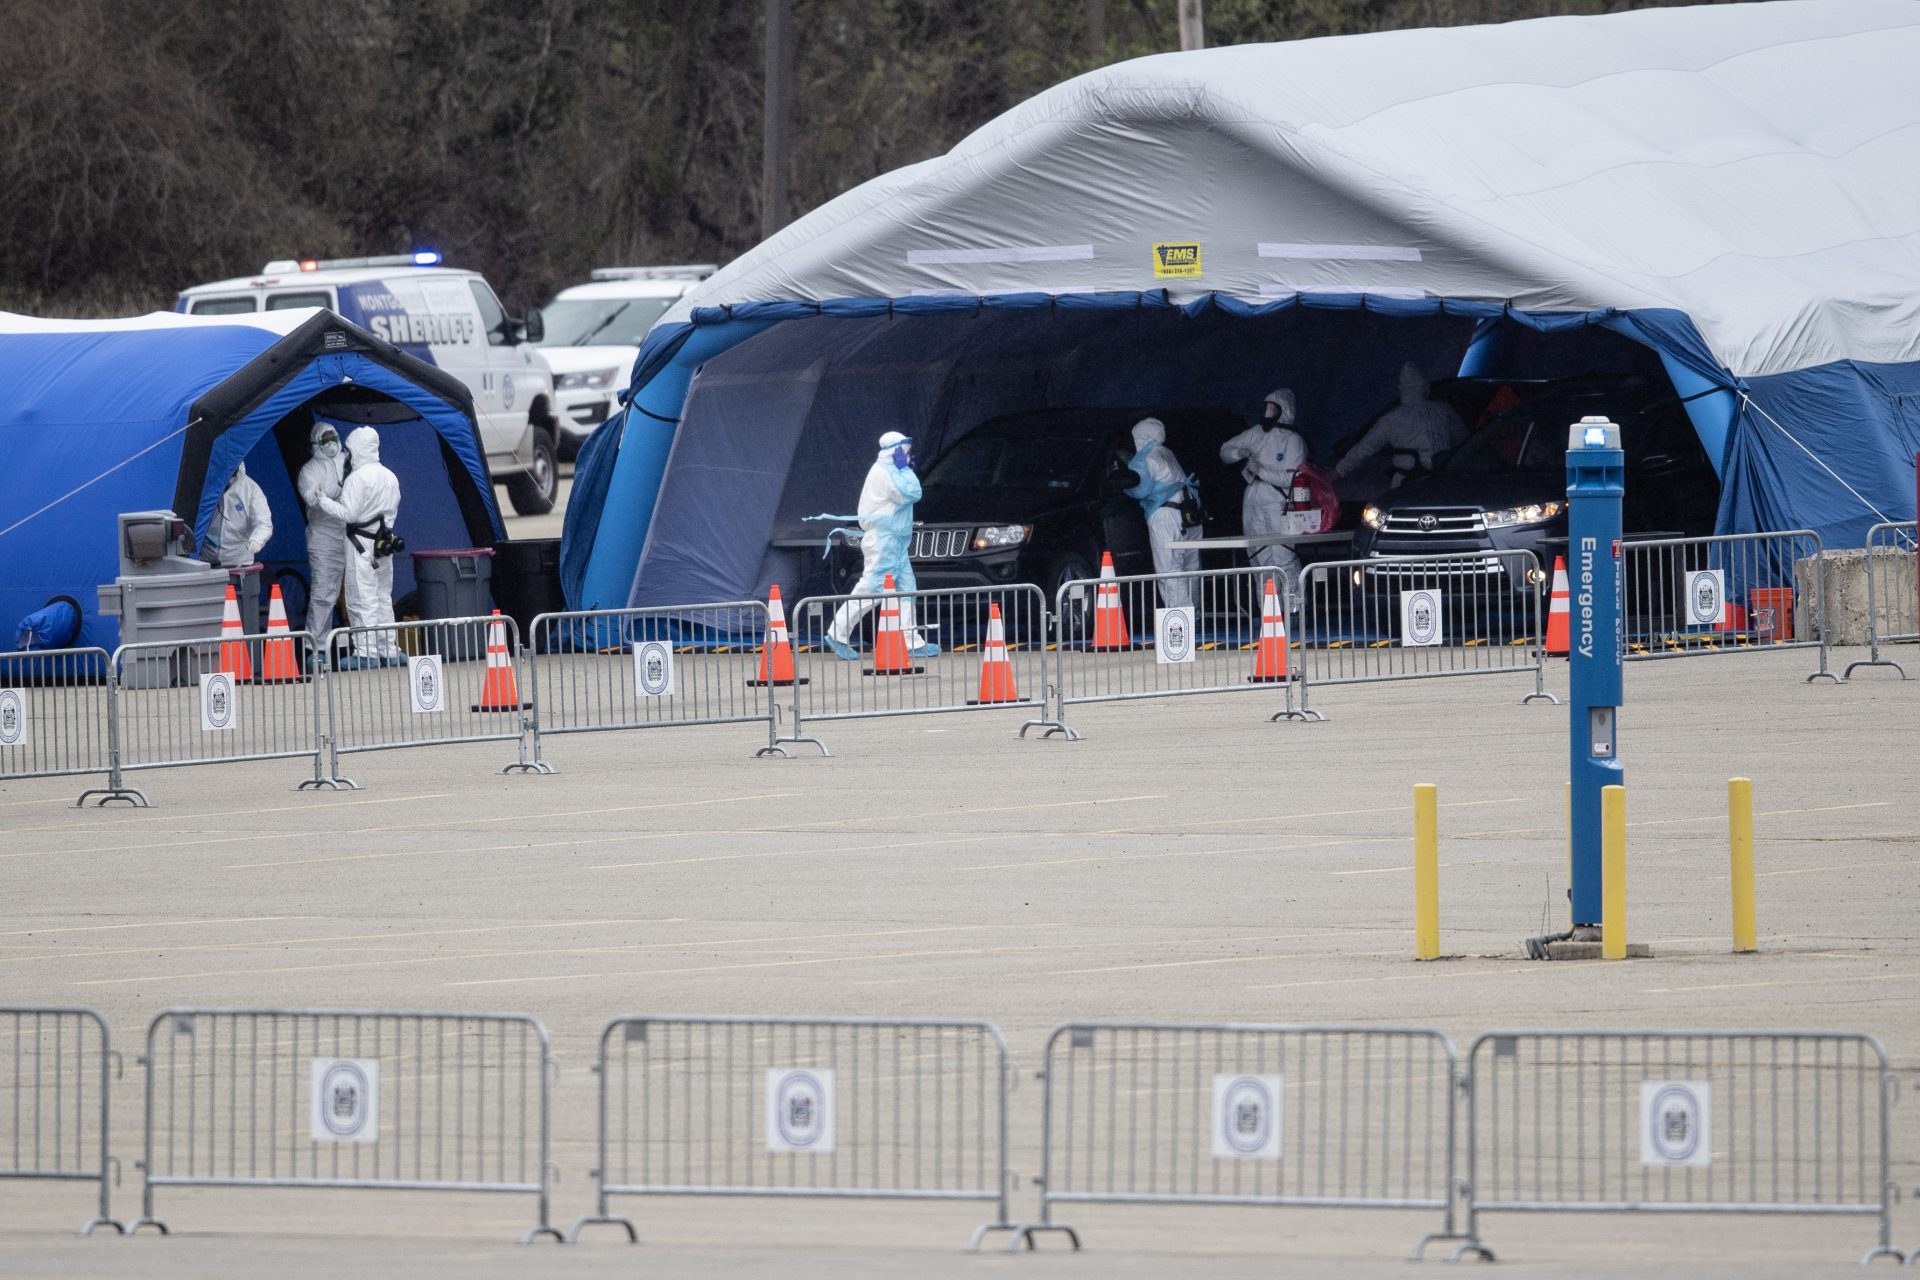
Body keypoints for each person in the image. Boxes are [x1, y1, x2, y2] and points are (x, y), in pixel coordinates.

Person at [825, 431, 940, 660]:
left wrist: (903, 469)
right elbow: (912, 492)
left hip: (895, 541)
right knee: (872, 589)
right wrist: (905, 470)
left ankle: (910, 641)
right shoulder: (885, 472)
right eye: (905, 448)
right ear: (895, 450)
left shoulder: (892, 471)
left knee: (907, 589)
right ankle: (836, 633)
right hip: (882, 540)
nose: (908, 453)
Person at [316, 427, 403, 667]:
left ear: (356, 450)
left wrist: (324, 502)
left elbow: (348, 513)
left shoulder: (358, 478)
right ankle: (389, 650)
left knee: (360, 597)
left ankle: (366, 653)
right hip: (384, 544)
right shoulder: (390, 476)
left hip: (361, 546)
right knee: (383, 597)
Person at [1219, 388, 1315, 590]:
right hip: (1253, 500)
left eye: (1273, 408)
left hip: (1279, 502)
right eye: (1267, 407)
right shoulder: (1255, 433)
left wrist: (1262, 471)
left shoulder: (1293, 441)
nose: (1268, 412)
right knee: (1259, 561)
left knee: (1284, 558)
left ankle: (1295, 612)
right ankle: (1269, 615)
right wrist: (1239, 453)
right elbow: (1225, 450)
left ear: (1284, 410)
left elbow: (1293, 477)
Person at [1335, 361, 1468, 487]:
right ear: (1425, 386)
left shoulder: (1392, 418)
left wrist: (1337, 472)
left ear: (1401, 389)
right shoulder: (1443, 410)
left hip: (1407, 485)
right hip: (1442, 480)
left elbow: (1364, 448)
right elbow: (1464, 440)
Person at [1123, 417, 1201, 610]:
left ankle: (1179, 620)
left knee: (1169, 570)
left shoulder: (1145, 458)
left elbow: (1138, 489)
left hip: (1166, 517)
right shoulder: (1167, 453)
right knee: (1191, 569)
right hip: (1188, 515)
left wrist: (1122, 480)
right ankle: (1194, 616)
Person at [295, 420, 349, 637]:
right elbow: (311, 497)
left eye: (333, 438)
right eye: (325, 440)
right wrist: (332, 491)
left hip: (352, 532)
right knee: (324, 592)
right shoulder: (309, 470)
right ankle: (316, 646)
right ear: (316, 443)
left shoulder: (348, 460)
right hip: (324, 536)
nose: (331, 443)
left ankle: (365, 645)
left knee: (360, 591)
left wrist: (327, 493)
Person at [203, 461, 273, 568]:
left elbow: (264, 523)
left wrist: (257, 540)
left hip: (240, 563)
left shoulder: (250, 489)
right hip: (206, 562)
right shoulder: (206, 485)